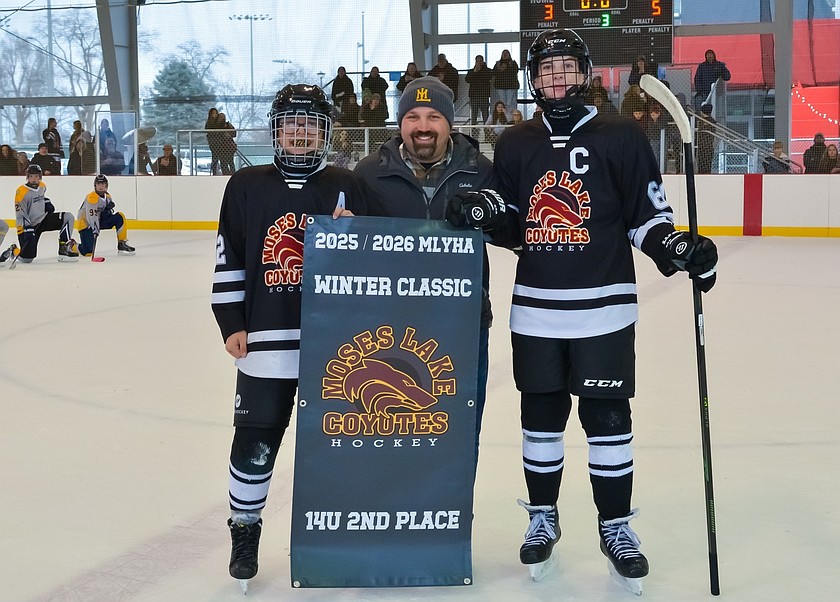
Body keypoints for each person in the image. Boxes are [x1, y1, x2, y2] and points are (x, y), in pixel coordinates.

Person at [487, 29, 718, 590]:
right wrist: (484, 215)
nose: (556, 78)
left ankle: (615, 525)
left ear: (584, 73)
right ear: (532, 79)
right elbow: (509, 222)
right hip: (536, 311)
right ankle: (544, 516)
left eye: (566, 67)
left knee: (608, 421)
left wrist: (677, 248)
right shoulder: (515, 144)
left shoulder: (621, 135)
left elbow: (646, 218)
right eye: (546, 70)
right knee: (539, 421)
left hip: (605, 311)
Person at [211, 83, 367, 591]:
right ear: (277, 129)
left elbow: (376, 259)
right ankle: (245, 529)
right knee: (255, 438)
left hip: (334, 341)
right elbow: (230, 256)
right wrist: (231, 321)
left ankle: (338, 536)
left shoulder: (347, 183)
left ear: (325, 131)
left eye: (310, 123)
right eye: (291, 123)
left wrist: (353, 237)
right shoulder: (246, 185)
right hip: (266, 337)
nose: (300, 132)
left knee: (338, 446)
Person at [354, 75, 496, 465]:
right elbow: (347, 248)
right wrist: (340, 227)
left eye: (434, 116)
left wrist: (494, 214)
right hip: (387, 326)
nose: (423, 127)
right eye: (413, 116)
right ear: (400, 123)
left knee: (457, 427)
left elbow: (513, 232)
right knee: (387, 428)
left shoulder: (480, 172)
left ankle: (450, 518)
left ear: (450, 123)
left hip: (461, 323)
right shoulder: (367, 174)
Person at [6, 164, 80, 264]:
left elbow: (38, 199)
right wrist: (27, 227)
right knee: (27, 259)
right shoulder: (21, 192)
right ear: (27, 177)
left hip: (43, 219)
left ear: (40, 177)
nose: (34, 179)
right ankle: (14, 250)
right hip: (28, 227)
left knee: (68, 217)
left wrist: (46, 202)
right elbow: (20, 212)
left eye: (36, 176)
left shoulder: (42, 186)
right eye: (31, 176)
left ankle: (64, 247)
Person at [75, 174, 136, 257]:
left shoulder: (107, 196)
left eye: (103, 184)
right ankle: (72, 246)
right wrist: (95, 230)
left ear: (106, 185)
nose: (100, 186)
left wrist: (107, 210)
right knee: (87, 252)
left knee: (119, 217)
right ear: (95, 186)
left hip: (98, 221)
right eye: (98, 184)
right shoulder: (92, 198)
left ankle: (122, 243)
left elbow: (106, 214)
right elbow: (92, 217)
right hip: (86, 224)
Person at [465, 55, 493, 126]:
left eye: (480, 61)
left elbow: (488, 77)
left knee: (485, 114)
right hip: (474, 96)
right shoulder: (471, 71)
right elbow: (467, 79)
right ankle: (473, 131)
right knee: (474, 115)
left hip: (484, 96)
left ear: (483, 61)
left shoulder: (488, 71)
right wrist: (475, 72)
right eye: (477, 61)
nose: (479, 63)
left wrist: (481, 70)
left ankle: (487, 132)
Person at [492, 49, 520, 118]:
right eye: (503, 53)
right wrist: (500, 69)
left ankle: (511, 118)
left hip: (510, 86)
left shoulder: (513, 63)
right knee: (502, 103)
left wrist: (508, 67)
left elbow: (515, 71)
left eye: (506, 53)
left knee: (510, 103)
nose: (505, 55)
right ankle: (503, 118)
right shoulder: (498, 64)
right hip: (500, 87)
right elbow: (494, 73)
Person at [696, 103, 717, 174]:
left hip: (702, 146)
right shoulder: (713, 121)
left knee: (701, 166)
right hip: (709, 147)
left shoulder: (701, 122)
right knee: (708, 166)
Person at [205, 108, 222, 175]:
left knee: (221, 158)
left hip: (220, 143)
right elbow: (207, 131)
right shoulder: (209, 122)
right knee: (215, 157)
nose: (214, 115)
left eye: (215, 113)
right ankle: (214, 171)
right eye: (213, 113)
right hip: (213, 143)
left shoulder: (219, 121)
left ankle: (219, 170)